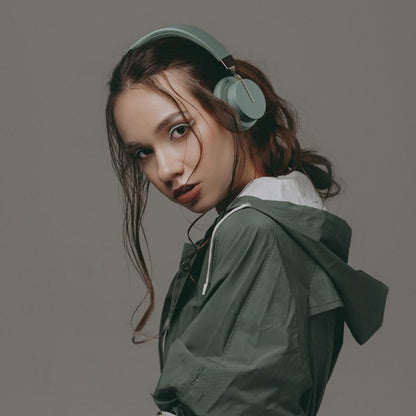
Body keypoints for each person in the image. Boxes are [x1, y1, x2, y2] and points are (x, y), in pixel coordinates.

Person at [105, 24, 389, 416]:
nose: (165, 169)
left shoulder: (258, 232)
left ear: (237, 108)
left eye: (179, 130)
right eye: (143, 153)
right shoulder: (281, 221)